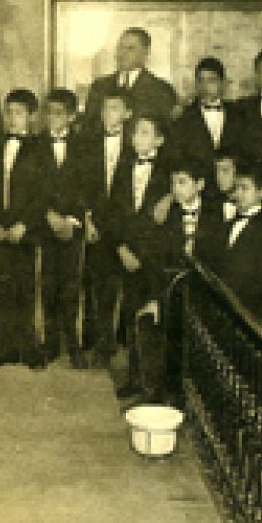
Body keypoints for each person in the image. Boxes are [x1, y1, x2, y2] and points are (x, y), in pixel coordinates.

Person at [131, 158, 220, 407]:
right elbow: (155, 260)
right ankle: (158, 392)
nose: (176, 189)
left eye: (182, 182)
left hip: (203, 293)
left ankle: (195, 398)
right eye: (173, 183)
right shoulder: (166, 215)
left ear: (199, 185)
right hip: (170, 289)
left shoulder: (215, 214)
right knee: (154, 325)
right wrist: (156, 299)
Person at [104, 114, 172, 399]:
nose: (136, 138)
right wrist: (120, 248)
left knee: (152, 318)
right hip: (127, 253)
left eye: (144, 133)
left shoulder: (167, 174)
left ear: (159, 140)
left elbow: (162, 224)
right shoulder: (123, 167)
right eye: (134, 133)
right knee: (131, 314)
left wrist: (142, 254)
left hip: (152, 258)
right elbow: (114, 211)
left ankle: (152, 384)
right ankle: (134, 376)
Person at [0, 90, 51, 370]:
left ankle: (29, 348)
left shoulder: (40, 148)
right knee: (2, 287)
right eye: (8, 112)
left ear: (32, 116)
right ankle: (6, 348)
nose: (12, 118)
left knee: (25, 288)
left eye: (19, 112)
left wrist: (25, 224)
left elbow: (44, 192)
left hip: (25, 230)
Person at [36, 89, 94, 369]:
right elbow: (33, 187)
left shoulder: (84, 145)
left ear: (72, 117)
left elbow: (86, 187)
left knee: (72, 287)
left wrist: (71, 219)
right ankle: (50, 342)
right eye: (49, 112)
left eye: (58, 113)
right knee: (48, 284)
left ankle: (74, 344)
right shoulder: (37, 145)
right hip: (46, 224)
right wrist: (49, 215)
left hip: (72, 226)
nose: (52, 118)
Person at [80, 90, 135, 367]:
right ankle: (103, 343)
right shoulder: (90, 144)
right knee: (101, 284)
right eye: (104, 109)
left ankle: (126, 342)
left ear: (128, 114)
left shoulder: (136, 146)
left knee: (127, 286)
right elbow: (86, 187)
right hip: (99, 225)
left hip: (126, 226)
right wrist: (88, 221)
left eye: (114, 108)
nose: (107, 114)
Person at [206, 157, 262, 329]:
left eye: (244, 188)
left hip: (252, 315)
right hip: (224, 312)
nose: (238, 194)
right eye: (236, 188)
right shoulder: (226, 225)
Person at [81, 27, 178, 135]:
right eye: (120, 47)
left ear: (145, 53)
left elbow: (166, 132)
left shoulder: (161, 90)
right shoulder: (99, 87)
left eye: (131, 48)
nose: (122, 53)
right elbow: (88, 128)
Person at [168, 57, 238, 175]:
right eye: (201, 80)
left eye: (211, 80)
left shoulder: (237, 113)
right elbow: (176, 157)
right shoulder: (184, 117)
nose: (205, 86)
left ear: (223, 83)